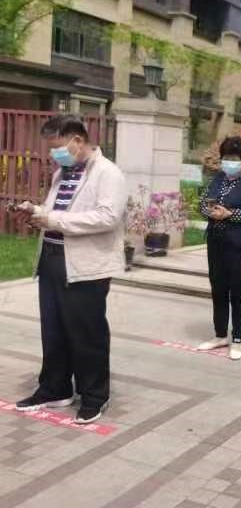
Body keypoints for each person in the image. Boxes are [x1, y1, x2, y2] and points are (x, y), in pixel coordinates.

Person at [14, 114, 126, 425]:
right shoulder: (62, 173)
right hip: (51, 259)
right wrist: (36, 212)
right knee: (53, 330)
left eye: (58, 147)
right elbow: (57, 212)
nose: (54, 154)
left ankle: (94, 396)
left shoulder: (108, 173)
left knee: (86, 333)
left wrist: (54, 220)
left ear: (77, 140)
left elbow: (107, 217)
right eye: (51, 148)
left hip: (85, 265)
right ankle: (54, 388)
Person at [197, 136, 241, 360]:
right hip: (216, 241)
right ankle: (220, 335)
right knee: (218, 289)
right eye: (226, 158)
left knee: (237, 292)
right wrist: (211, 212)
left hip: (238, 244)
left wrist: (230, 213)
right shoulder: (216, 179)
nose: (229, 162)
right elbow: (202, 203)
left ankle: (238, 338)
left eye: (234, 159)